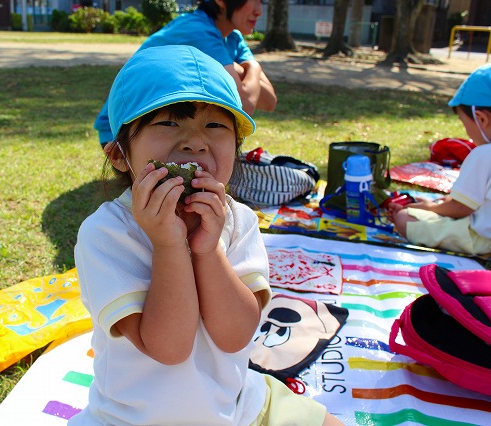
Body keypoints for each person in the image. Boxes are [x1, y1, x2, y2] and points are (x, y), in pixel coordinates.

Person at [70, 45, 342, 426]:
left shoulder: (238, 221)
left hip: (239, 406)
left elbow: (236, 336)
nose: (195, 142)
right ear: (119, 155)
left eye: (215, 126)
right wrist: (168, 245)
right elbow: (169, 347)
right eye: (169, 123)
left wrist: (208, 250)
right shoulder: (106, 235)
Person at [93, 0, 277, 146]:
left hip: (175, 129)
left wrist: (248, 67)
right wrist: (253, 68)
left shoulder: (233, 38)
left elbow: (269, 102)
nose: (259, 11)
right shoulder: (196, 30)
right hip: (124, 134)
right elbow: (245, 105)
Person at [388, 63, 491, 255]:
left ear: (481, 119)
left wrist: (429, 208)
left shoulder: (486, 154)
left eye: (464, 124)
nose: (467, 132)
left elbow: (461, 208)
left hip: (477, 238)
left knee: (404, 217)